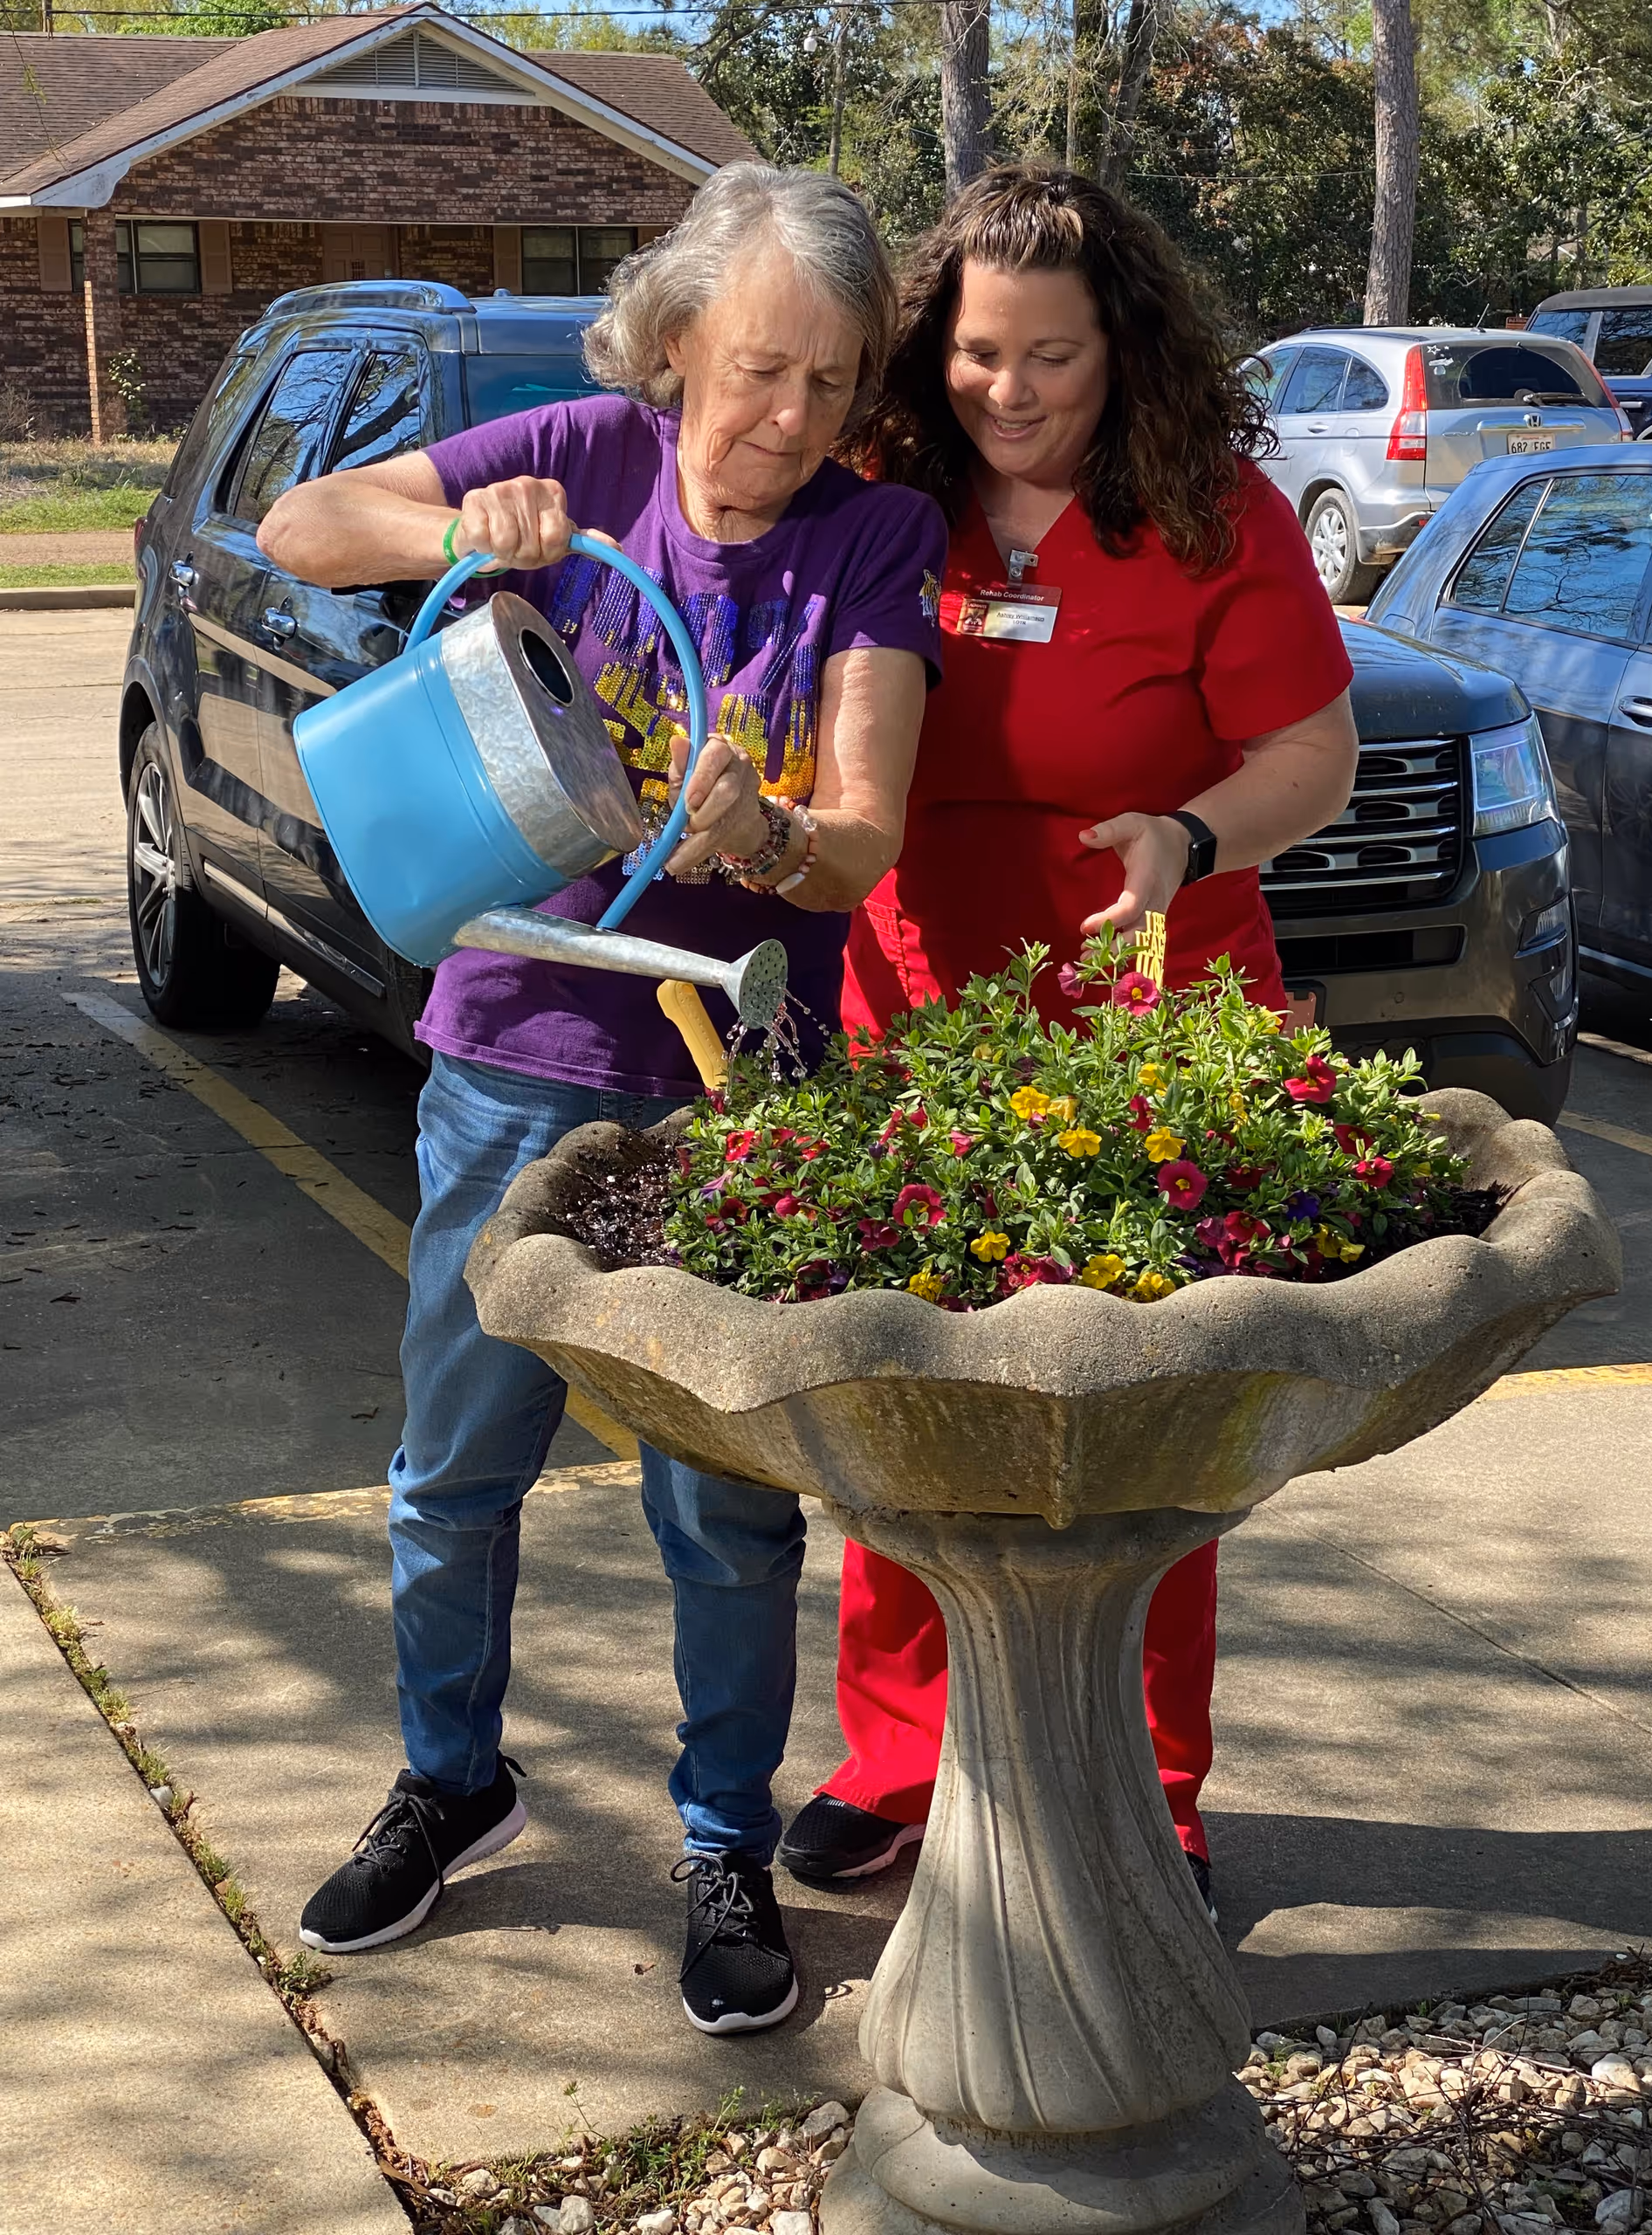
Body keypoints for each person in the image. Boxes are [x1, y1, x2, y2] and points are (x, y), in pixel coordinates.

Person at [256, 163, 946, 2035]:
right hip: (510, 1059)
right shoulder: (588, 457)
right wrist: (460, 519)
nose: (786, 418)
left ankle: (722, 1836)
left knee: (725, 1502)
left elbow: (864, 830)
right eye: (755, 370)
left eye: (829, 378)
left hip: (734, 1088)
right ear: (675, 348)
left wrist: (775, 830)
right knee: (453, 1470)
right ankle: (449, 1776)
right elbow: (308, 522)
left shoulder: (867, 546)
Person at [775, 165, 1359, 1918]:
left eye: (1052, 356)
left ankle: (1149, 1778)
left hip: (1158, 1033)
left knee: (1142, 1427)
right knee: (914, 1397)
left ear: (1127, 348)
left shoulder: (1213, 511)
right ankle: (894, 1753)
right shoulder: (882, 499)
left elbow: (1310, 760)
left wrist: (1188, 831)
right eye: (976, 355)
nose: (1010, 392)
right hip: (919, 1023)